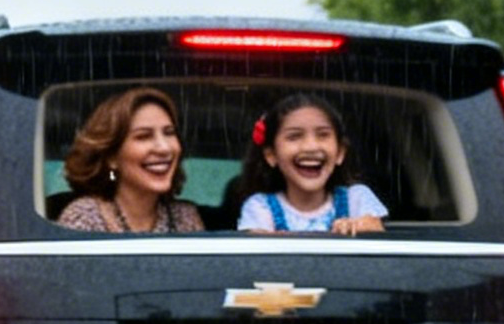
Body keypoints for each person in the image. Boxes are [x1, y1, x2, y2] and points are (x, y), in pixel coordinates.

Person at [55, 87, 204, 234]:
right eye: (144, 136)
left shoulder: (185, 218)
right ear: (111, 157)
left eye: (169, 133)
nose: (164, 148)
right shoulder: (84, 217)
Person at [233, 94, 387, 235]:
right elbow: (259, 255)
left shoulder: (356, 198)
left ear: (340, 153)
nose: (311, 146)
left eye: (323, 135)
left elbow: (374, 228)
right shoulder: (261, 207)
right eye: (294, 136)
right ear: (271, 155)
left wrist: (358, 226)